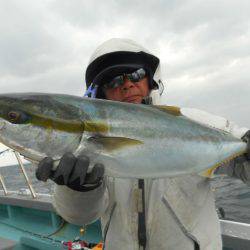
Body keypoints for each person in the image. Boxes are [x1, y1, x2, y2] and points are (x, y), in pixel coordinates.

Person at [36, 38, 250, 250]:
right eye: (113, 81)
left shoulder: (195, 121)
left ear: (150, 80)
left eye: (136, 75)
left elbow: (243, 166)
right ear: (102, 94)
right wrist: (77, 190)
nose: (128, 84)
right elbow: (81, 217)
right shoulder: (83, 148)